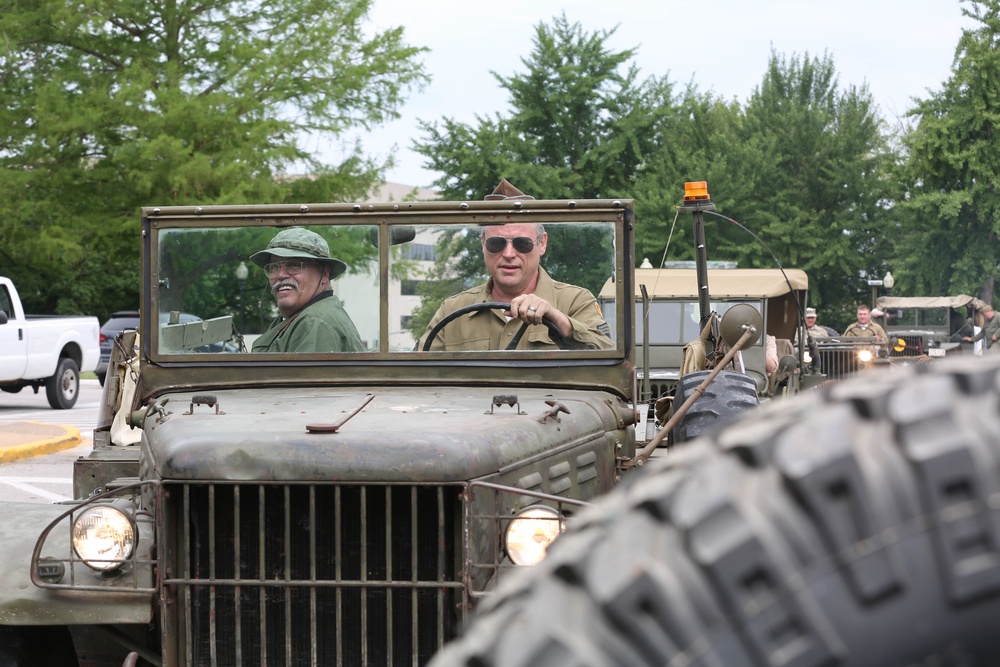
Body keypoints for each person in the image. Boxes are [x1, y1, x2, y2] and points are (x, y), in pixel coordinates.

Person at [419, 179, 613, 351]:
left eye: (522, 244)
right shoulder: (453, 311)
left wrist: (557, 319)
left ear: (542, 243)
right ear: (483, 245)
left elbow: (609, 359)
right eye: (496, 243)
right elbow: (414, 374)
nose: (509, 254)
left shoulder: (575, 303)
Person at [249, 227, 365, 353]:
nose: (281, 275)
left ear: (324, 274)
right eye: (274, 267)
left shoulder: (315, 322)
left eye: (293, 265)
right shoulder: (307, 317)